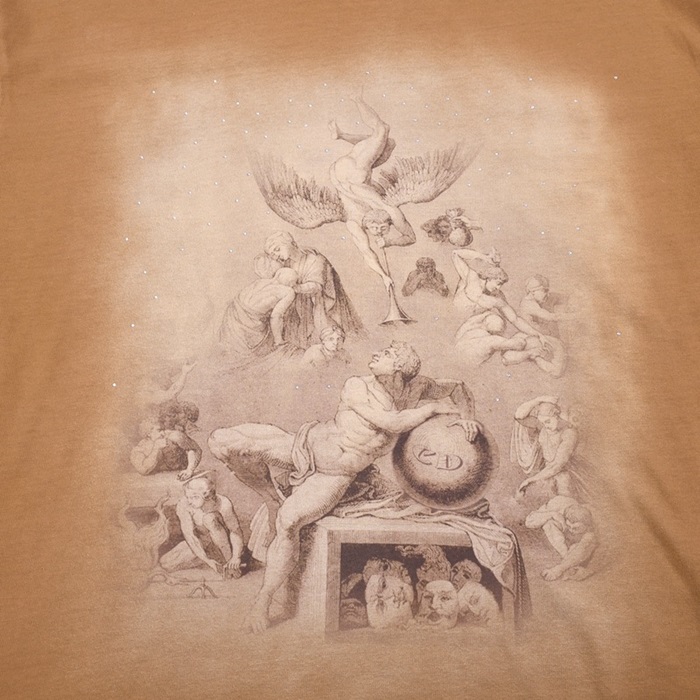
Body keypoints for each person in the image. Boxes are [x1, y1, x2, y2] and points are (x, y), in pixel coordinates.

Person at [208, 341, 482, 632]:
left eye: (386, 354)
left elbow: (459, 387)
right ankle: (270, 497)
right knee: (222, 442)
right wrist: (433, 408)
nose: (376, 353)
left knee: (289, 523)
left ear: (399, 368)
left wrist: (468, 418)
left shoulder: (418, 388)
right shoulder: (357, 386)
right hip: (304, 445)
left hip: (334, 474)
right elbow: (390, 422)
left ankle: (262, 601)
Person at [329, 95, 416, 290]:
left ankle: (354, 103)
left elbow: (366, 252)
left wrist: (383, 276)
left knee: (382, 130)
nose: (377, 230)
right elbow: (411, 237)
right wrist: (389, 241)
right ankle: (352, 111)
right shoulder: (390, 211)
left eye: (375, 229)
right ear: (388, 223)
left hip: (351, 174)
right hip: (353, 174)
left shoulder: (354, 222)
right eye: (382, 228)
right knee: (388, 141)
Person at [262, 231, 364, 348]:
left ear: (290, 243)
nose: (276, 255)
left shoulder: (315, 259)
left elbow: (317, 286)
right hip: (301, 309)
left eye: (277, 249)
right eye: (273, 254)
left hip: (320, 307)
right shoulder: (287, 264)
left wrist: (294, 288)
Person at [159, 472, 245, 579]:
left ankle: (227, 562)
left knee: (209, 519)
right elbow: (190, 536)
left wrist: (235, 557)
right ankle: (211, 560)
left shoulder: (223, 503)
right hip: (202, 544)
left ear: (207, 496)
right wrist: (208, 561)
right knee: (165, 563)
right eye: (188, 497)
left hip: (224, 545)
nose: (190, 501)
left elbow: (235, 531)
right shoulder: (184, 504)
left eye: (194, 497)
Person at [511, 396, 588, 501]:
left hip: (566, 474)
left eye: (547, 421)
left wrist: (531, 480)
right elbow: (519, 417)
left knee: (563, 499)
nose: (545, 426)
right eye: (542, 422)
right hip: (546, 472)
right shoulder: (543, 426)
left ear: (556, 415)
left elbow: (557, 465)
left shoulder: (569, 432)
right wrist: (538, 400)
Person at [218, 265, 299, 360]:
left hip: (233, 315)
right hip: (250, 323)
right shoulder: (287, 291)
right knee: (254, 357)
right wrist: (278, 340)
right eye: (294, 282)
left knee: (232, 353)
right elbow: (276, 316)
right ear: (291, 283)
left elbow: (241, 297)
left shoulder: (260, 282)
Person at [524, 496, 598, 581]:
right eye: (569, 526)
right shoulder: (559, 505)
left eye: (576, 528)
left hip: (581, 547)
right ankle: (568, 565)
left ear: (587, 526)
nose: (571, 530)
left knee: (587, 540)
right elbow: (529, 522)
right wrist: (552, 514)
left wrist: (558, 569)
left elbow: (586, 545)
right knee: (549, 524)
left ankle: (561, 568)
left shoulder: (592, 526)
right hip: (565, 545)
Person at [130, 400, 202, 480]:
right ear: (148, 433)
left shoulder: (174, 436)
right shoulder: (140, 448)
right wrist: (156, 448)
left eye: (163, 430)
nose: (163, 433)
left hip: (178, 476)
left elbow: (195, 449)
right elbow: (143, 469)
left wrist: (189, 470)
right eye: (159, 430)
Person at [518, 275, 574, 339]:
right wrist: (574, 316)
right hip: (533, 337)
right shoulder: (529, 304)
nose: (547, 294)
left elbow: (566, 297)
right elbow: (551, 317)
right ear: (533, 292)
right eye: (544, 291)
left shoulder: (532, 301)